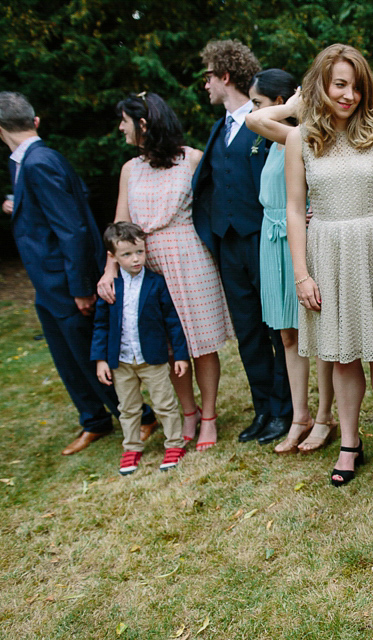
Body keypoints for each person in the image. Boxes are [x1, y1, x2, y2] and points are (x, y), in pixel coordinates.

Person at [285, 44, 373, 485]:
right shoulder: (298, 138)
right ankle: (348, 441)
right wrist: (302, 274)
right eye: (340, 84)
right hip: (328, 250)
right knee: (342, 356)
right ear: (320, 84)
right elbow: (294, 209)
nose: (349, 95)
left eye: (357, 87)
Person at [0, 91, 156, 455]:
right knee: (65, 356)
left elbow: (72, 228)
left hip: (65, 281)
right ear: (33, 120)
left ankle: (141, 416)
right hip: (45, 282)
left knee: (89, 354)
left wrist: (81, 287)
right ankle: (94, 420)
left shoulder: (40, 162)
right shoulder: (24, 162)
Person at [99, 92, 234, 452]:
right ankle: (187, 413)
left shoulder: (191, 160)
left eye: (125, 120)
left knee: (201, 343)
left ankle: (208, 417)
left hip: (191, 259)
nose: (120, 127)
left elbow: (221, 205)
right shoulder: (131, 169)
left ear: (143, 124)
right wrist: (110, 268)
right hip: (147, 263)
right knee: (171, 345)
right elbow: (120, 222)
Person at [193, 40, 293, 446]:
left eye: (208, 77)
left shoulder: (265, 123)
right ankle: (263, 410)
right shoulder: (219, 130)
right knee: (248, 331)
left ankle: (285, 412)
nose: (205, 86)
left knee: (276, 330)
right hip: (228, 244)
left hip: (265, 239)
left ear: (225, 76)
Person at [245, 69, 338, 454]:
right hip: (272, 239)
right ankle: (299, 415)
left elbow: (256, 120)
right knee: (287, 333)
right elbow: (255, 121)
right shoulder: (275, 142)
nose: (255, 110)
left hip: (302, 239)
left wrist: (292, 107)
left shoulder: (305, 134)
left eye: (259, 100)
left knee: (315, 333)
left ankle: (324, 417)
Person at [91, 222, 189, 474]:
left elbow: (173, 322)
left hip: (152, 358)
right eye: (126, 254)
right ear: (113, 257)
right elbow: (100, 325)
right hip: (120, 361)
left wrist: (180, 355)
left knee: (165, 403)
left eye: (139, 252)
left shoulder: (156, 283)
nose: (135, 259)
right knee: (128, 407)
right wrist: (100, 359)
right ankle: (132, 447)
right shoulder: (110, 287)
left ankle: (175, 443)